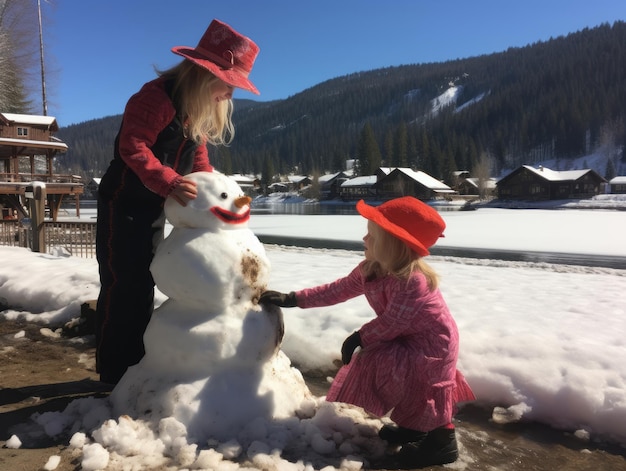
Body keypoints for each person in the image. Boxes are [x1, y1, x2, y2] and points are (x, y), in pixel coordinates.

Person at [95, 19, 260, 385]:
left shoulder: (192, 108)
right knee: (126, 283)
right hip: (123, 203)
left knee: (145, 281)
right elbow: (132, 146)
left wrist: (216, 191)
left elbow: (198, 163)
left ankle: (136, 364)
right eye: (229, 85)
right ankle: (114, 371)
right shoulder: (155, 98)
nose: (230, 96)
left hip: (154, 205)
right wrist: (167, 181)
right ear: (205, 73)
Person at [260, 197, 475, 468]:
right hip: (405, 340)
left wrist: (359, 337)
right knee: (389, 368)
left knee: (425, 387)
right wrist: (293, 298)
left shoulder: (413, 282)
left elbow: (392, 322)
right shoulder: (371, 270)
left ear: (393, 244)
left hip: (434, 347)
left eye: (372, 235)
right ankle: (415, 427)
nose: (364, 238)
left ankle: (442, 441)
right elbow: (337, 290)